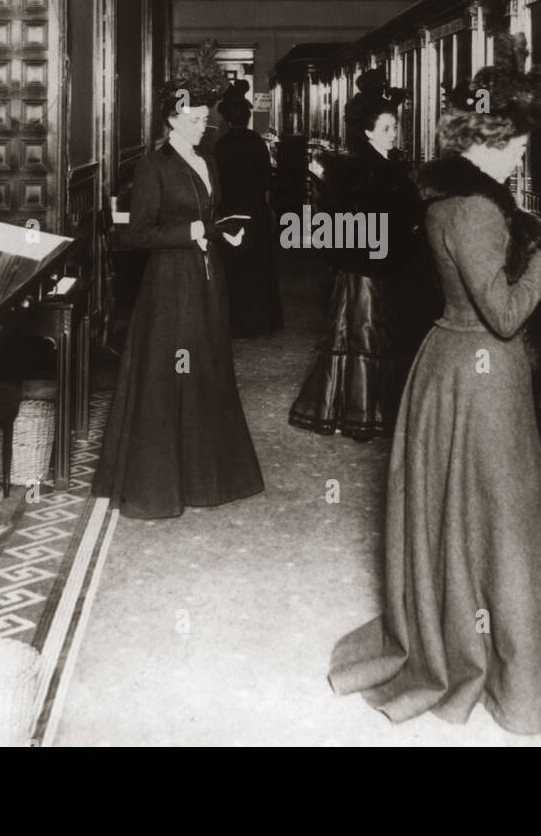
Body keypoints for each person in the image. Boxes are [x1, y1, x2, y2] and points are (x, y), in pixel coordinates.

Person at [328, 33, 541, 734]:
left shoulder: (448, 191)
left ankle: (467, 636)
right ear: (497, 138)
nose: (525, 154)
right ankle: (516, 675)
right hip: (481, 374)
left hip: (448, 364)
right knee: (503, 524)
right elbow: (503, 313)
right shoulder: (474, 208)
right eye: (521, 142)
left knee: (464, 520)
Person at [99, 82, 264, 519]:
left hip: (208, 279)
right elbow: (138, 235)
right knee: (173, 372)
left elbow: (208, 216)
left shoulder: (208, 160)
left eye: (204, 119)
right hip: (170, 286)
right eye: (192, 119)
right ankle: (164, 483)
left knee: (207, 368)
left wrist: (224, 230)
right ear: (171, 119)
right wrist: (192, 233)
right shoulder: (153, 166)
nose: (201, 126)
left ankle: (207, 476)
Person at [288, 69, 428, 442]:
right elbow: (344, 226)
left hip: (387, 265)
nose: (393, 133)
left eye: (394, 126)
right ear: (367, 131)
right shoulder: (362, 170)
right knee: (365, 339)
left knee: (377, 338)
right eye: (385, 127)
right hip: (367, 269)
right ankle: (363, 414)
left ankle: (375, 409)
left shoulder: (390, 163)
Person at [214, 80, 284, 337]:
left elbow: (217, 185)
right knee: (258, 267)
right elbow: (266, 181)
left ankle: (235, 321)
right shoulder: (256, 142)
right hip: (255, 212)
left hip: (231, 213)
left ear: (227, 119)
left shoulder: (220, 146)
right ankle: (261, 321)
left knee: (234, 267)